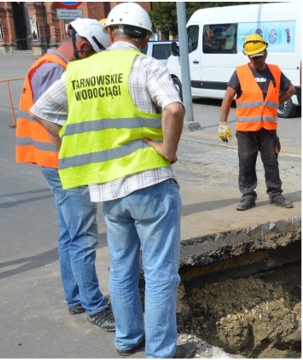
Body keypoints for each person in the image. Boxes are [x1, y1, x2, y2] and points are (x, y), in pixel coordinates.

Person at [31, 3, 196, 358]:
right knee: (159, 273)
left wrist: (70, 145)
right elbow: (174, 108)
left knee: (121, 266)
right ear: (147, 37)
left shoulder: (79, 71)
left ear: (111, 33)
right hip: (149, 180)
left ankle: (127, 339)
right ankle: (160, 351)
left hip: (108, 186)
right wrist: (168, 149)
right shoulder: (146, 65)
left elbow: (41, 110)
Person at [16, 18, 115, 332]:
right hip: (64, 166)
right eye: (93, 57)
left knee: (69, 234)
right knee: (83, 236)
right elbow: (50, 118)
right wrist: (73, 154)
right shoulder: (55, 71)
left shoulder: (52, 65)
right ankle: (94, 306)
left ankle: (76, 298)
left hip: (56, 164)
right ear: (84, 46)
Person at [218, 33, 296, 211]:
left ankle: (275, 195)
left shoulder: (275, 71)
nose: (258, 60)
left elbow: (290, 89)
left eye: (260, 56)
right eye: (254, 58)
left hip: (268, 128)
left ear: (266, 53)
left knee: (271, 162)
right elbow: (228, 97)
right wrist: (223, 123)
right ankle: (248, 196)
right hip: (246, 130)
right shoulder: (240, 72)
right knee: (246, 162)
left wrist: (276, 101)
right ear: (248, 56)